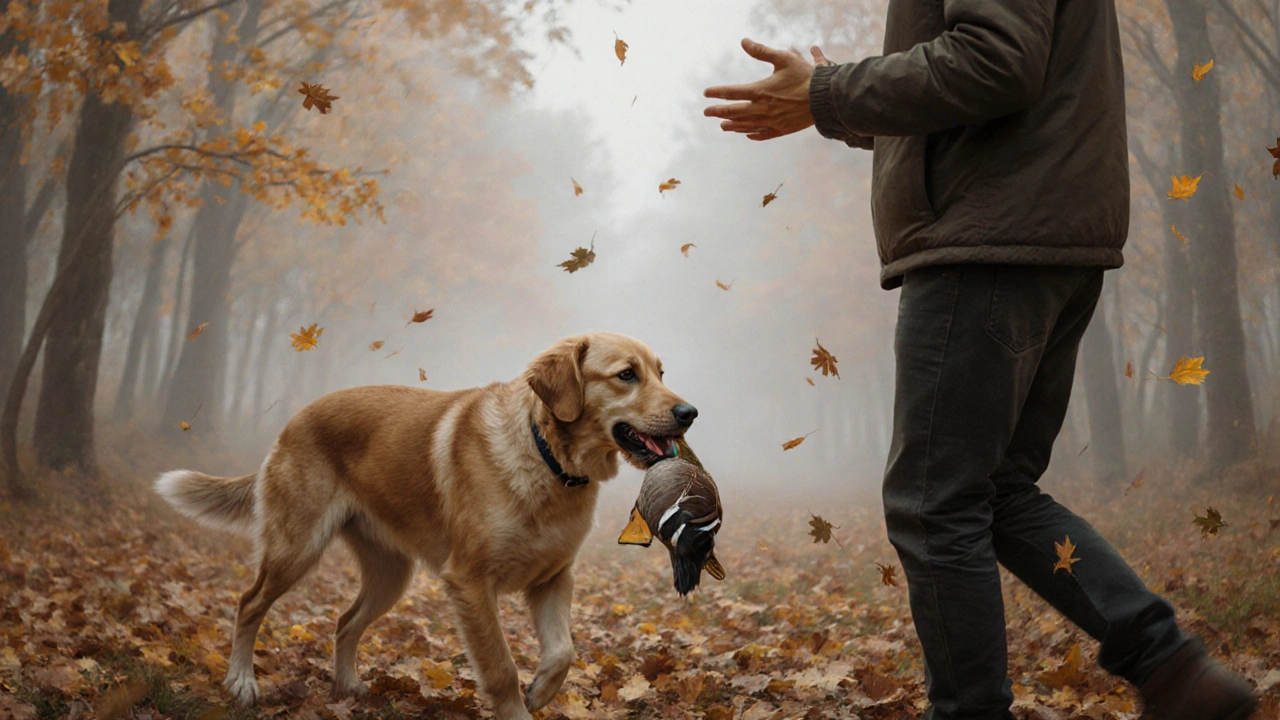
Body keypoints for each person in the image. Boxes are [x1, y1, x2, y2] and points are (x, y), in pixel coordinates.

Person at [701, 2, 1260, 718]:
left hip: (989, 237)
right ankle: (1172, 670)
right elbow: (997, 86)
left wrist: (832, 89)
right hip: (1032, 226)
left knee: (935, 502)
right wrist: (835, 105)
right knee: (993, 492)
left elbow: (997, 62)